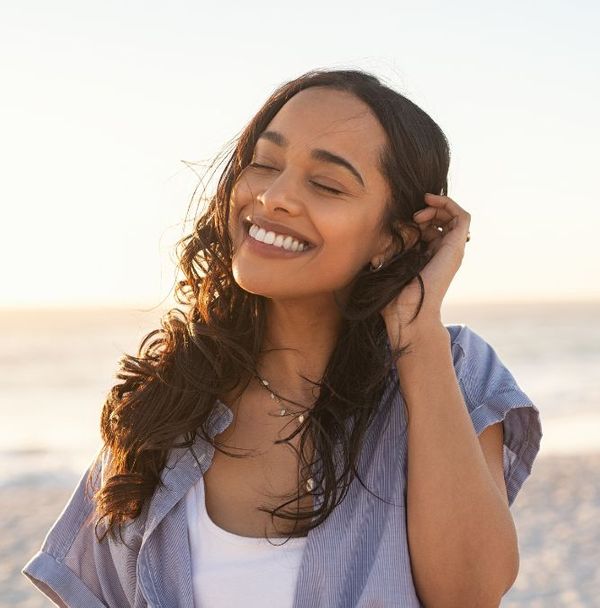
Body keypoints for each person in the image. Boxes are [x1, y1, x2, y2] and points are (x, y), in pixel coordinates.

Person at [22, 68, 542, 607]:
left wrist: (417, 335)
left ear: (392, 237)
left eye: (325, 184)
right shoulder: (163, 403)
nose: (274, 197)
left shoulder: (451, 369)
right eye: (265, 164)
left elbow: (469, 594)